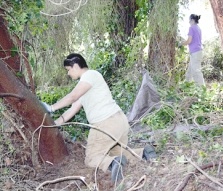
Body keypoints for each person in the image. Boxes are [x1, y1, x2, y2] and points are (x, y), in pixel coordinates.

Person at [41, 53, 157, 183]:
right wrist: (53, 123)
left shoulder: (90, 75)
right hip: (119, 122)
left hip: (105, 124)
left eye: (68, 70)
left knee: (91, 159)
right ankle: (144, 153)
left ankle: (114, 164)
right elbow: (72, 110)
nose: (68, 74)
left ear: (75, 66)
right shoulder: (86, 85)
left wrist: (51, 108)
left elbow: (72, 96)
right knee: (115, 153)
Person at [180, 14, 205, 86]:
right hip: (198, 52)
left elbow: (189, 41)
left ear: (192, 20)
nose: (189, 22)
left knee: (196, 72)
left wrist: (181, 44)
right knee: (189, 71)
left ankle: (201, 89)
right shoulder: (198, 28)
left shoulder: (191, 28)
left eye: (189, 20)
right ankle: (186, 85)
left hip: (195, 52)